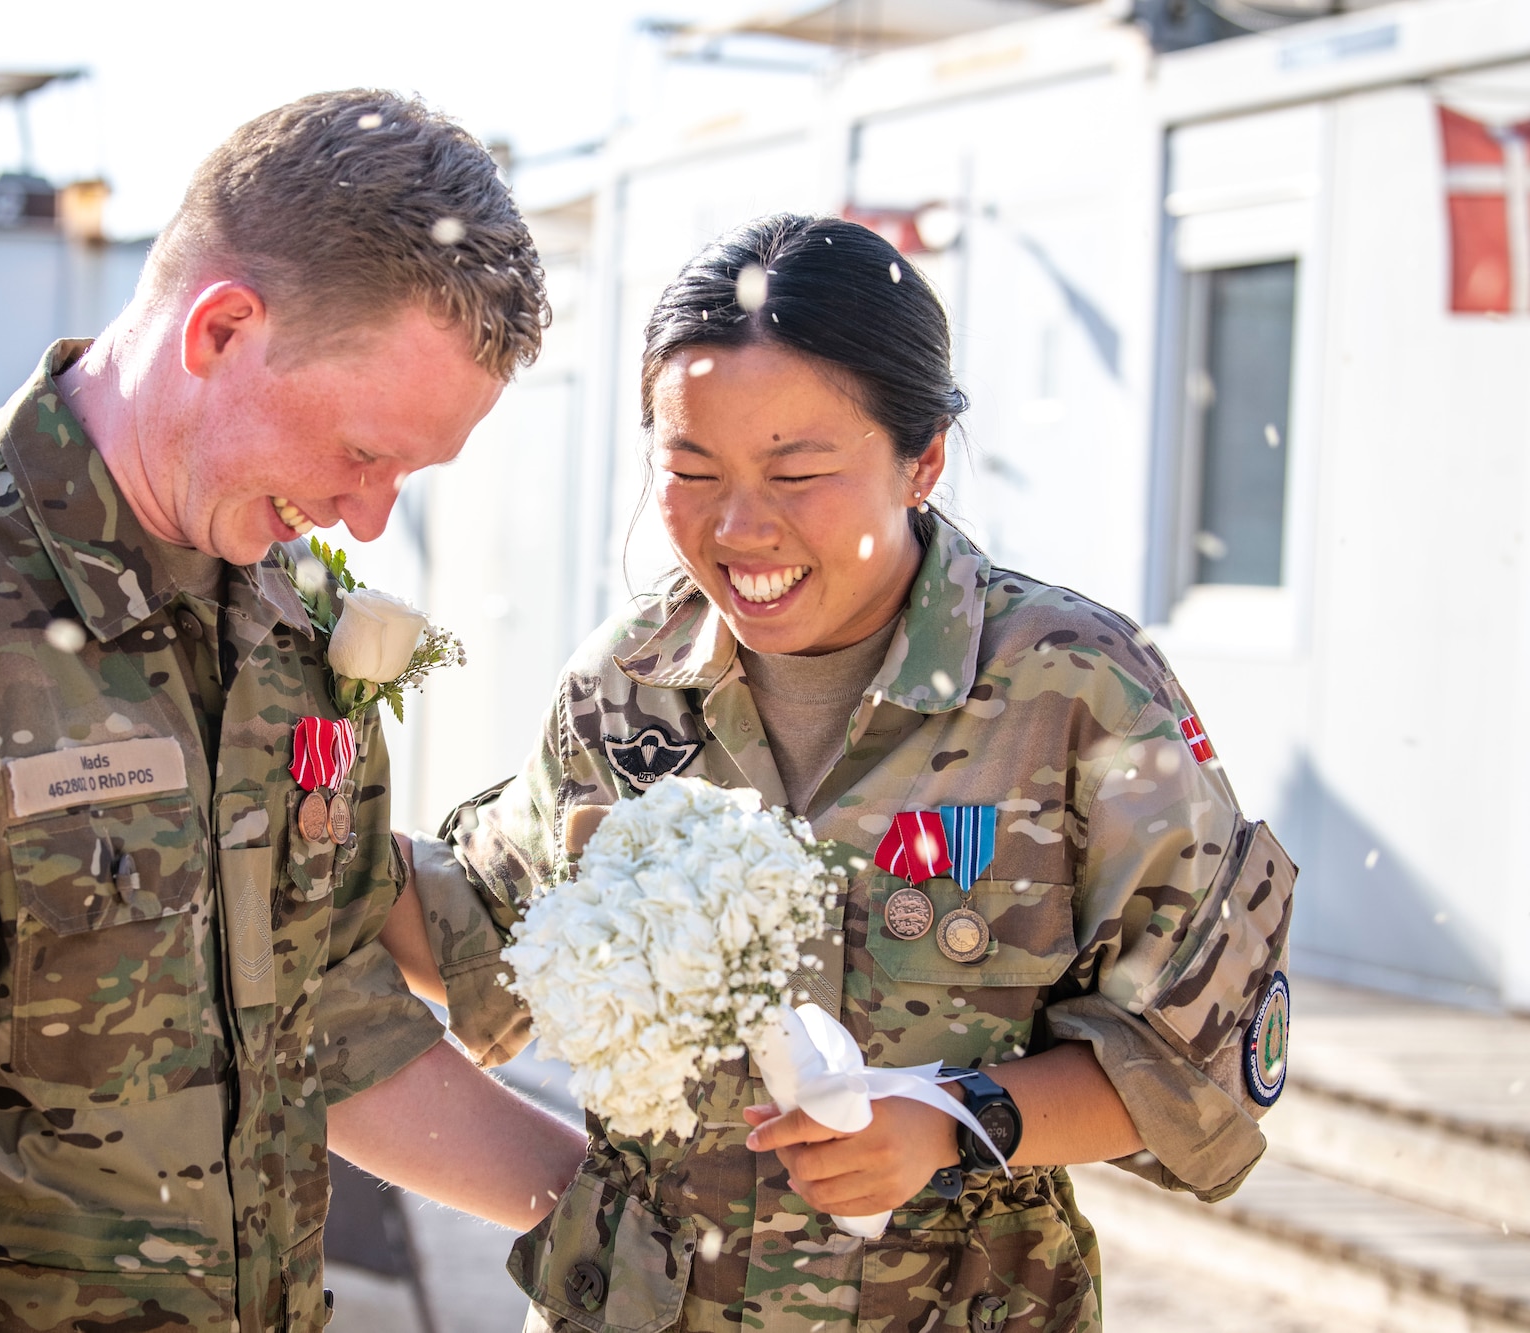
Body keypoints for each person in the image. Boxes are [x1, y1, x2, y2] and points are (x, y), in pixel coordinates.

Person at [0, 89, 585, 1333]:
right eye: (364, 453)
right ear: (223, 328)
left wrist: (621, 1221)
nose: (370, 516)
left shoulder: (284, 615)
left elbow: (321, 1018)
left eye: (406, 474)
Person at [382, 213, 1296, 1332]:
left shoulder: (1070, 690)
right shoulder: (627, 683)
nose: (737, 527)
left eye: (798, 470)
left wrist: (954, 1118)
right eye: (688, 468)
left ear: (921, 460)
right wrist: (271, 795)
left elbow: (1185, 1058)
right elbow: (480, 931)